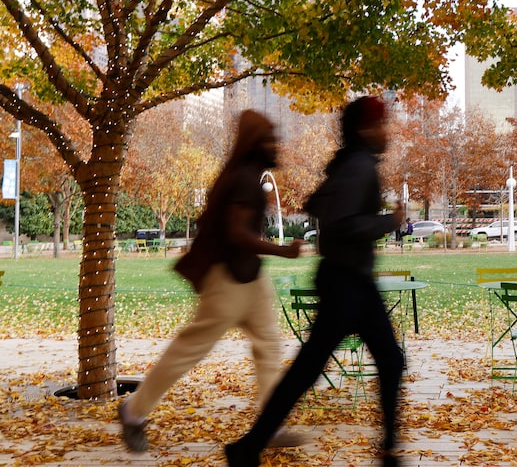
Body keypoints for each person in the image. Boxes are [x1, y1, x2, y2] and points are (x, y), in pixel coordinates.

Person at [226, 96, 406, 467]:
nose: (386, 131)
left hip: (349, 279)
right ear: (364, 129)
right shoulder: (358, 166)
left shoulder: (350, 164)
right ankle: (249, 447)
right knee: (320, 368)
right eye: (380, 124)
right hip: (347, 283)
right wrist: (390, 221)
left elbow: (317, 203)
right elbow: (343, 221)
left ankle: (387, 449)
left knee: (384, 360)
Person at [118, 110, 305, 453]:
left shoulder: (245, 175)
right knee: (189, 350)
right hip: (228, 280)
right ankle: (132, 411)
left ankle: (269, 427)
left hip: (251, 278)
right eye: (269, 138)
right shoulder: (245, 179)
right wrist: (283, 251)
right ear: (253, 143)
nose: (275, 144)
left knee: (269, 346)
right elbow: (235, 233)